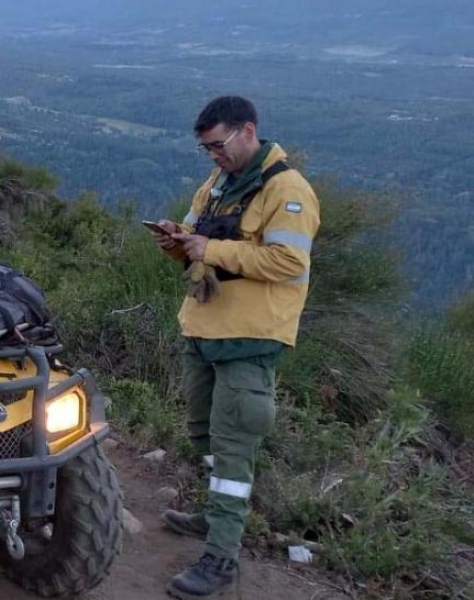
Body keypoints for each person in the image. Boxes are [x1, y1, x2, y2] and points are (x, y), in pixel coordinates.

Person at [149, 96, 321, 600]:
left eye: (218, 145)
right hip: (203, 329)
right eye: (206, 148)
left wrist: (212, 249)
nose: (213, 156)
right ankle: (213, 517)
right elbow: (196, 239)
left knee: (233, 449)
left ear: (249, 131)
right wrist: (177, 241)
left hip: (251, 339)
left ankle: (222, 558)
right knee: (203, 435)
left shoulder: (289, 190)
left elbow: (290, 261)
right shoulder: (218, 184)